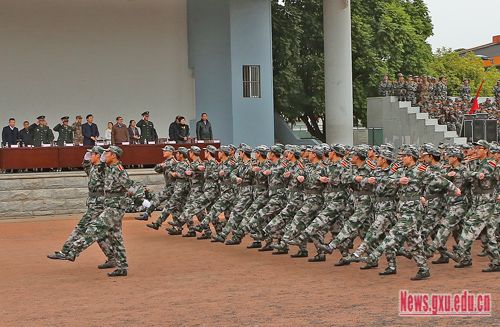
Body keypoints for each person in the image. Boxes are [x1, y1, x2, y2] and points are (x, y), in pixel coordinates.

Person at [58, 146, 148, 277]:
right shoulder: (108, 169)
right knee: (116, 238)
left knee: (94, 228)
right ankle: (122, 267)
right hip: (109, 205)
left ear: (114, 156)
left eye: (107, 153)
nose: (104, 155)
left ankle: (73, 252)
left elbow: (131, 186)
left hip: (115, 208)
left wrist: (143, 201)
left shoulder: (118, 171)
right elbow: (94, 168)